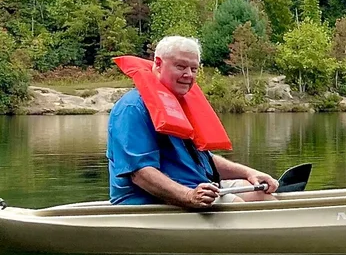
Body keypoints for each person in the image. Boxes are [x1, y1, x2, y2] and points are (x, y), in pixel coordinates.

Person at [107, 35, 278, 207]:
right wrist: (189, 196)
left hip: (196, 188)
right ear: (158, 64)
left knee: (261, 196)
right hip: (148, 200)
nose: (188, 74)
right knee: (237, 205)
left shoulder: (181, 104)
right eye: (180, 67)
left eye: (194, 69)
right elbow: (140, 174)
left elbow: (205, 161)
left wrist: (249, 173)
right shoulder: (132, 108)